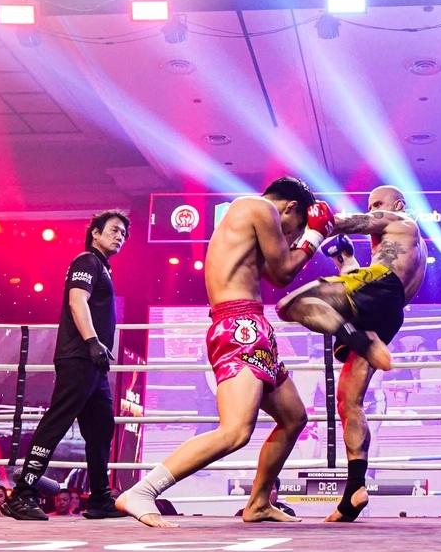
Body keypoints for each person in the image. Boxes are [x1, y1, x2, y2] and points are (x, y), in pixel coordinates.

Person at [116, 177, 328, 527]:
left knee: (294, 418)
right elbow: (283, 273)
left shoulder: (246, 218)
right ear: (291, 207)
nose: (291, 236)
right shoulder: (259, 207)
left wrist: (320, 230)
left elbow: (271, 273)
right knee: (235, 431)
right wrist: (315, 235)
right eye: (295, 227)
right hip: (239, 326)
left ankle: (258, 503)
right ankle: (143, 491)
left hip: (251, 324)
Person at [277, 185, 427, 522]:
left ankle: (362, 342)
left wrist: (304, 222)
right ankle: (354, 491)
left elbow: (349, 223)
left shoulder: (401, 221)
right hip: (387, 310)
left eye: (378, 204)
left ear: (398, 205)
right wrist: (345, 261)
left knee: (289, 305)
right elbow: (371, 289)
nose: (374, 209)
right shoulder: (404, 248)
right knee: (348, 401)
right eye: (370, 204)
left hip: (381, 288)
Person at [3, 210, 131, 522]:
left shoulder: (102, 267)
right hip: (80, 356)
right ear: (95, 233)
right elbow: (77, 300)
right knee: (58, 421)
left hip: (94, 362)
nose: (120, 237)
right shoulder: (87, 261)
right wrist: (92, 341)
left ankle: (100, 498)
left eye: (124, 234)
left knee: (101, 427)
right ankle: (23, 493)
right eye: (114, 230)